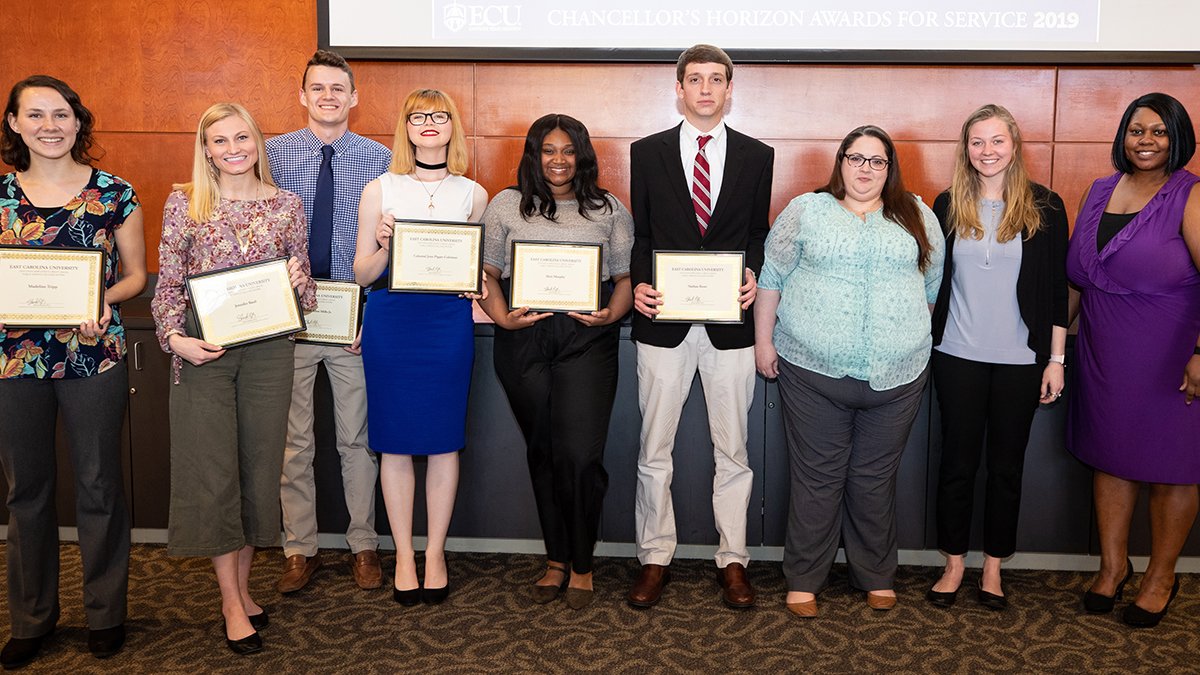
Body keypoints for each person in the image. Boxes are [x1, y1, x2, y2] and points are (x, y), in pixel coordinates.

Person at [755, 125, 944, 618]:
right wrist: (762, 343)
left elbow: (930, 287)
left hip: (898, 376)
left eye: (877, 161)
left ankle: (876, 575)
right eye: (856, 158)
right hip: (812, 370)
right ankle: (803, 579)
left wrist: (901, 335)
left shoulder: (917, 215)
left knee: (874, 479)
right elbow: (771, 279)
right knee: (817, 479)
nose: (865, 169)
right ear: (840, 163)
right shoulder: (805, 211)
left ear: (890, 168)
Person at [151, 102, 314, 655]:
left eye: (241, 137)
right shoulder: (185, 203)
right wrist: (175, 339)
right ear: (206, 150)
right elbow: (168, 286)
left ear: (257, 141)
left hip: (270, 352)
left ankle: (243, 591)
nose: (232, 149)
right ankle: (228, 600)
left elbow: (305, 297)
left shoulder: (287, 205)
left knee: (258, 470)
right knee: (216, 472)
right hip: (205, 351)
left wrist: (299, 277)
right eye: (219, 141)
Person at [0, 75, 146, 667]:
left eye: (61, 114)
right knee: (25, 492)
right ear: (14, 124)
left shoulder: (115, 192)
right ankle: (32, 619)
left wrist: (106, 302)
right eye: (35, 115)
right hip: (12, 360)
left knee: (98, 485)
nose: (50, 126)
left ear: (78, 122)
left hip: (93, 355)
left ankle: (105, 613)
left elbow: (135, 273)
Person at [627, 44, 774, 610]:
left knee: (733, 450)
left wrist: (754, 273)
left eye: (717, 79)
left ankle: (733, 560)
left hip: (730, 325)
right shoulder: (649, 151)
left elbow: (756, 234)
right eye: (696, 79)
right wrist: (640, 281)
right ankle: (654, 556)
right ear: (680, 89)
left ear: (730, 89)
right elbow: (643, 235)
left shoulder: (758, 156)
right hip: (661, 321)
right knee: (653, 448)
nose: (707, 88)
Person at [478, 114, 634, 610]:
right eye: (548, 150)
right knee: (543, 451)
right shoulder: (506, 204)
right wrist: (502, 319)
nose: (558, 159)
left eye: (568, 150)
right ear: (534, 154)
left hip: (586, 339)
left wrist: (613, 311)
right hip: (524, 341)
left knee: (581, 456)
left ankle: (583, 561)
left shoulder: (607, 208)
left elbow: (626, 277)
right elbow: (487, 272)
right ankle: (556, 559)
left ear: (582, 155)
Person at [925, 104, 1069, 611]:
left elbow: (1056, 293)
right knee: (957, 466)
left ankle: (992, 568)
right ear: (966, 148)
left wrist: (1057, 360)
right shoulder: (947, 203)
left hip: (1021, 361)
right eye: (977, 142)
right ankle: (954, 563)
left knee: (1006, 468)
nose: (987, 151)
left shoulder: (1045, 207)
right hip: (955, 355)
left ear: (1015, 146)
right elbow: (931, 283)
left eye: (996, 141)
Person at [1066, 92, 1200, 628]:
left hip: (1171, 354)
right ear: (1123, 136)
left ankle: (1160, 578)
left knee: (1173, 468)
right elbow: (1077, 279)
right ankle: (1112, 568)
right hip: (1103, 349)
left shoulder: (1190, 195)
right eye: (1136, 130)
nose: (1146, 141)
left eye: (1159, 131)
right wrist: (1054, 348)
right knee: (1111, 459)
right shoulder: (1099, 190)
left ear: (1178, 138)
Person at [353, 89, 487, 606]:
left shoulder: (473, 193)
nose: (429, 124)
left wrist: (472, 280)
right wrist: (386, 246)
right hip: (392, 321)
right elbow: (361, 272)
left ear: (452, 126)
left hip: (445, 323)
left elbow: (475, 271)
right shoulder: (378, 189)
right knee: (394, 441)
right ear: (405, 128)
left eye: (439, 116)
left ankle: (435, 553)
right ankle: (404, 555)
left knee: (443, 439)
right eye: (418, 116)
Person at [266, 49, 392, 594]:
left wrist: (375, 314)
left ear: (354, 98)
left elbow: (395, 244)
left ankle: (363, 545)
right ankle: (300, 549)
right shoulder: (270, 154)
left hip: (351, 318)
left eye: (338, 88)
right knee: (293, 443)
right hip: (285, 318)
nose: (328, 96)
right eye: (317, 87)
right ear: (302, 95)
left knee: (356, 439)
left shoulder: (382, 159)